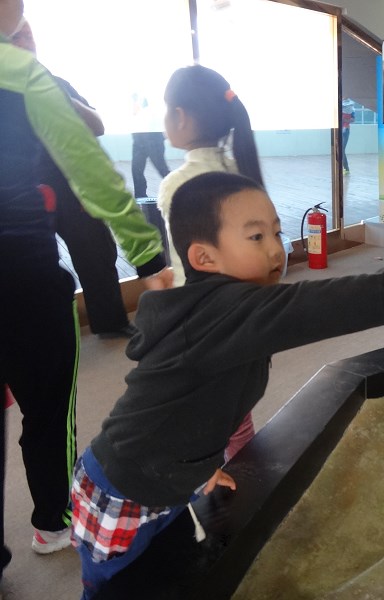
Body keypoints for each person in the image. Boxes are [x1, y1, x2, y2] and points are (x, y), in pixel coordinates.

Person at [70, 171, 384, 598]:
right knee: (113, 586)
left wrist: (199, 465)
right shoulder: (225, 312)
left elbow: (185, 403)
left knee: (167, 562)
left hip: (166, 475)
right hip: (123, 487)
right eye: (255, 236)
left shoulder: (226, 315)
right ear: (204, 258)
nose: (275, 248)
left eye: (276, 232)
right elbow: (317, 305)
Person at [0, 0, 171, 582]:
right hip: (23, 272)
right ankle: (52, 523)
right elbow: (90, 167)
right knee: (48, 408)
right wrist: (148, 258)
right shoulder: (21, 73)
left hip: (27, 263)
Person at [158, 64, 266, 461]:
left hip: (200, 325)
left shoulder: (177, 184)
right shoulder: (242, 170)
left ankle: (223, 484)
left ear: (181, 116)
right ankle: (248, 474)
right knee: (237, 413)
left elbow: (190, 266)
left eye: (166, 109)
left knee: (202, 418)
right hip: (247, 316)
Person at [11, 18, 136, 338]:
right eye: (14, 36)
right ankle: (40, 338)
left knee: (97, 255)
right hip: (19, 194)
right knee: (29, 268)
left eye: (27, 34)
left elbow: (97, 126)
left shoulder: (57, 83)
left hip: (73, 188)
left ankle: (111, 323)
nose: (23, 41)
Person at [131, 93, 171, 198]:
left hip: (153, 136)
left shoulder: (151, 95)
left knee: (162, 168)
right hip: (138, 136)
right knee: (136, 170)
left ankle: (180, 191)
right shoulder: (135, 98)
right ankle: (140, 197)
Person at [341, 99, 355, 175]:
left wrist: (345, 120)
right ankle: (345, 168)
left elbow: (353, 120)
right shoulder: (339, 108)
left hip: (346, 130)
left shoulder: (351, 110)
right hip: (339, 130)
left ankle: (346, 169)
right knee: (340, 150)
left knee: (342, 149)